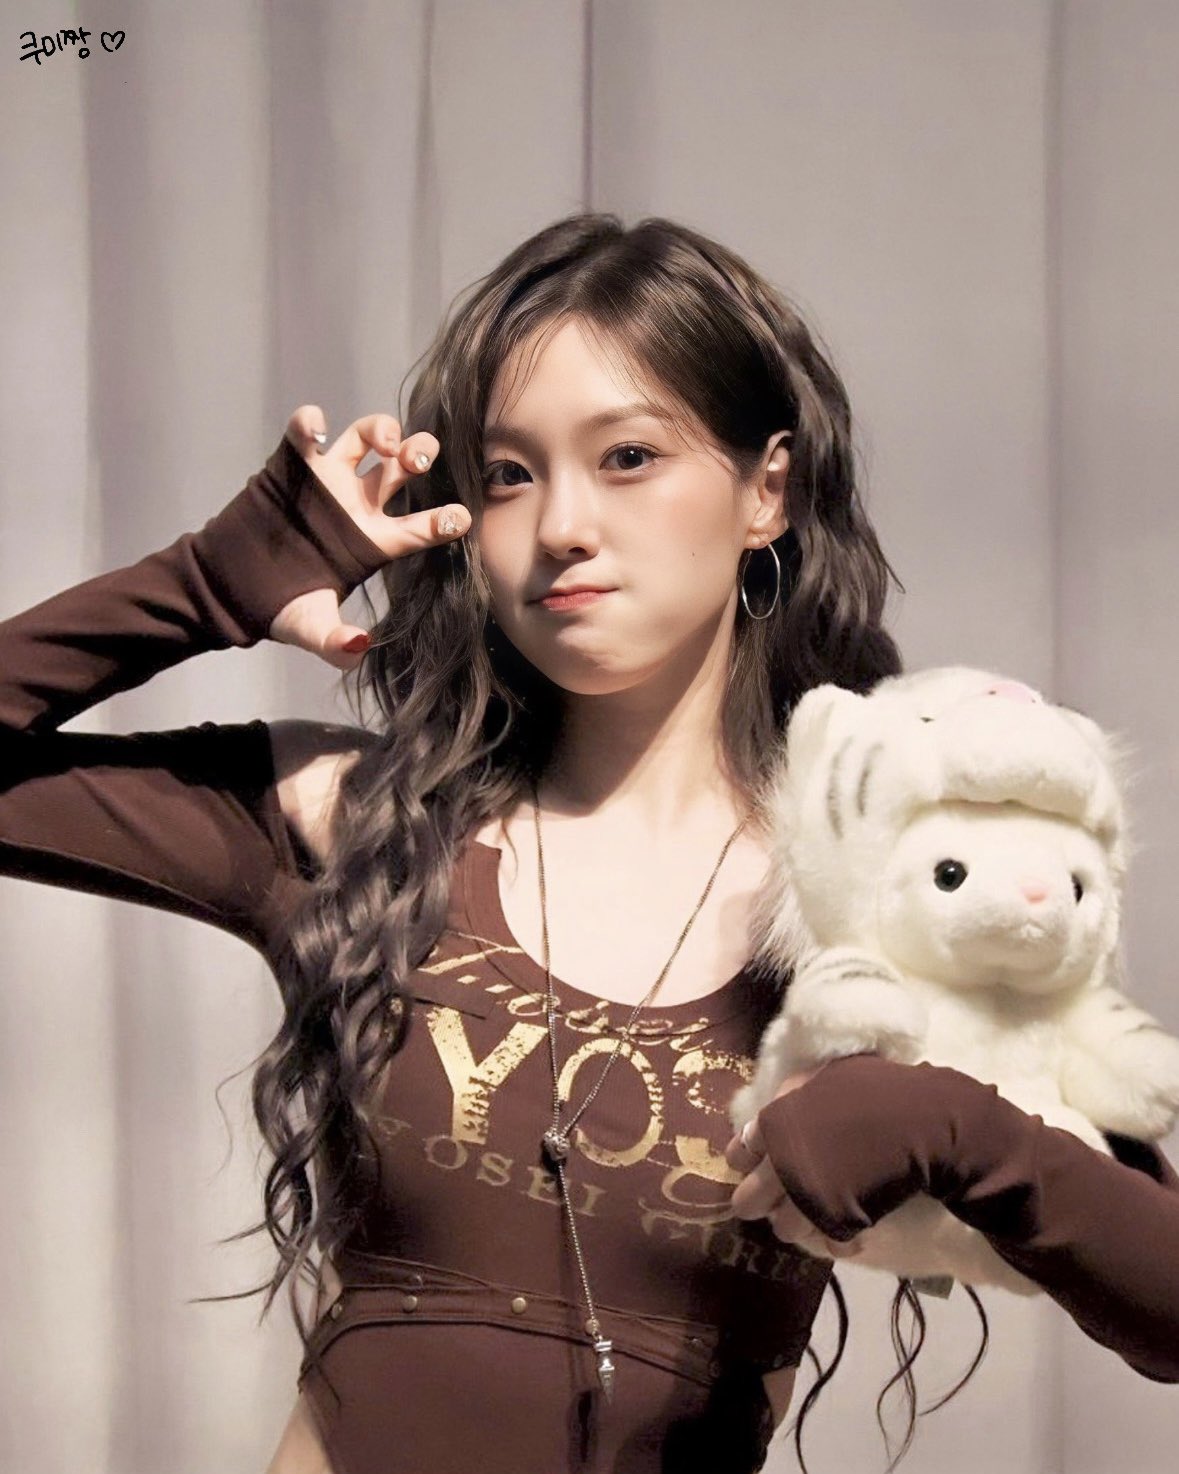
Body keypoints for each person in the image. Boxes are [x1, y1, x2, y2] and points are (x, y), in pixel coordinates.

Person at [2, 213, 1177, 1474]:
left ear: (767, 490)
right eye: (510, 474)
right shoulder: (354, 820)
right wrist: (204, 584)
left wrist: (961, 1129)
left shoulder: (876, 896)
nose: (561, 522)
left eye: (627, 457)